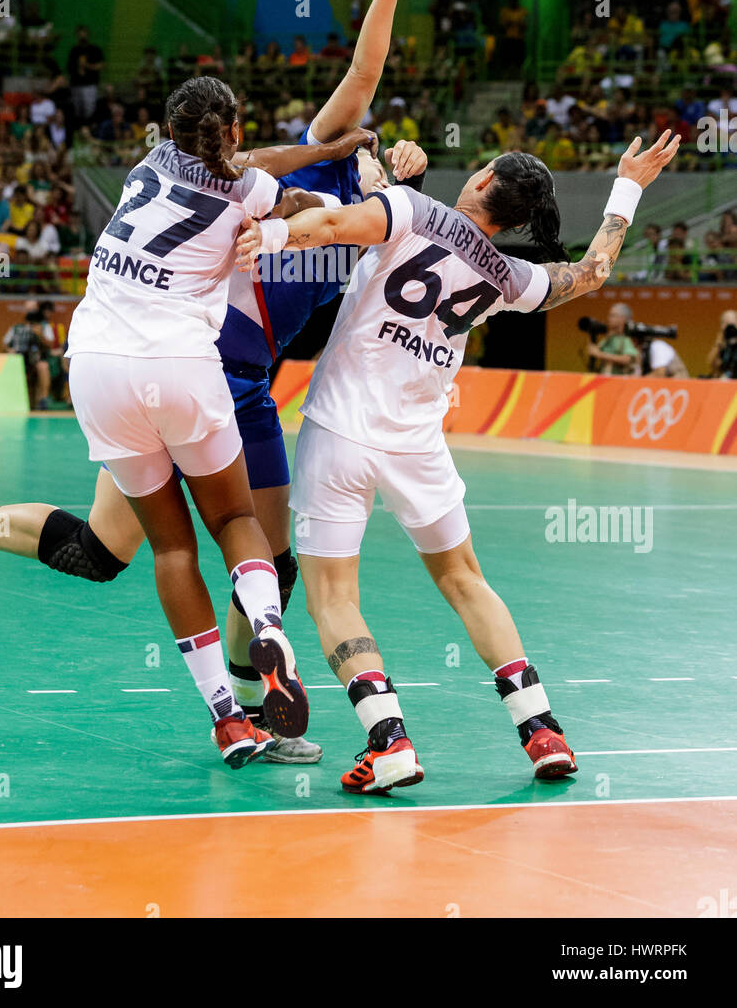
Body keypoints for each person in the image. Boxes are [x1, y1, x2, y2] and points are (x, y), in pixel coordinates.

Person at [0, 0, 447, 766]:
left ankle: (250, 712)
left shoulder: (381, 219)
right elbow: (341, 100)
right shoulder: (299, 170)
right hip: (189, 366)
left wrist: (396, 176)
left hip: (228, 385)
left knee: (271, 560)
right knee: (102, 553)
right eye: (361, 135)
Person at [235, 129, 681, 792]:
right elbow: (594, 273)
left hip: (342, 433)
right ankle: (541, 731)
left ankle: (388, 741)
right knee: (468, 582)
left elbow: (330, 223)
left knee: (334, 596)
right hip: (419, 443)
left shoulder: (414, 212)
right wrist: (628, 187)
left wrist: (271, 235)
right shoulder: (508, 275)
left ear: (483, 178)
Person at [585, 303, 641, 375]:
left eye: (613, 315)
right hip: (605, 380)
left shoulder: (627, 338)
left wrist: (600, 354)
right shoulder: (610, 337)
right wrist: (591, 332)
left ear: (622, 318)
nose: (609, 318)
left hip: (621, 382)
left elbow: (627, 359)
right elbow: (593, 351)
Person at [707, 308, 737, 379]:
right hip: (723, 380)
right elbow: (711, 364)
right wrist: (719, 342)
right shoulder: (721, 343)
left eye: (732, 324)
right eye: (726, 323)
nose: (730, 328)